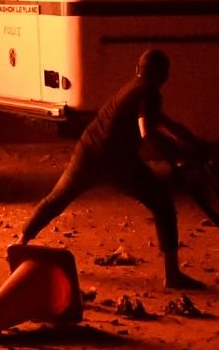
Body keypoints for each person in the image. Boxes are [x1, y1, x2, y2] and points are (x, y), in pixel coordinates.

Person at [18, 48, 206, 290]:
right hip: (117, 161)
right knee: (163, 206)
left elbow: (166, 124)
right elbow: (148, 131)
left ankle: (21, 241)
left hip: (88, 151)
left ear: (137, 70)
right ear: (164, 76)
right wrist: (180, 153)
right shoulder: (150, 94)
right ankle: (172, 275)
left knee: (57, 199)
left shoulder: (131, 89)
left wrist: (189, 142)